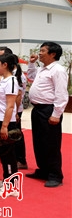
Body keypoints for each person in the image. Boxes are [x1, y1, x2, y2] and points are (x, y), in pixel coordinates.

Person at [28, 42, 68, 188]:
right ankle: (43, 170)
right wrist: (31, 64)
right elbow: (31, 77)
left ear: (53, 54)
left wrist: (56, 114)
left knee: (51, 144)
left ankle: (55, 175)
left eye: (43, 51)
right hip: (37, 109)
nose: (39, 53)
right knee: (39, 142)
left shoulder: (58, 70)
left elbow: (61, 93)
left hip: (49, 110)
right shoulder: (42, 69)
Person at [0, 53, 20, 195]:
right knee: (2, 153)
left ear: (5, 65)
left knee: (8, 154)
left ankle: (12, 185)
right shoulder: (3, 79)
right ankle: (6, 178)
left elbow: (10, 106)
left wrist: (4, 126)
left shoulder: (11, 81)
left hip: (6, 122)